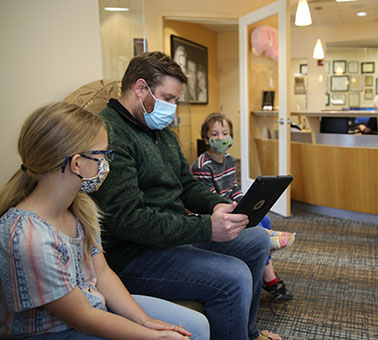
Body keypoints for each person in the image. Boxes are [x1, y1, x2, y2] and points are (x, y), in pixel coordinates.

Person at [90, 51, 282, 340]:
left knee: (256, 239)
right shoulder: (110, 134)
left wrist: (218, 205)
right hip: (134, 255)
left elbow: (186, 184)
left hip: (173, 237)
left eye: (175, 100)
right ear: (141, 88)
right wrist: (206, 226)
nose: (172, 107)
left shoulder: (161, 130)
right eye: (168, 98)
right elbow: (127, 220)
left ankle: (249, 334)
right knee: (234, 276)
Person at [0, 102, 209, 340]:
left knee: (197, 326)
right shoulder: (28, 238)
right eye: (103, 155)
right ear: (77, 163)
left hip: (91, 305)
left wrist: (145, 320)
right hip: (54, 330)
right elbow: (82, 317)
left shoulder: (81, 208)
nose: (106, 166)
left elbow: (101, 272)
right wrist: (152, 336)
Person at [190, 113, 296, 302]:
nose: (221, 138)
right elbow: (209, 200)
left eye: (225, 133)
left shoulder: (230, 160)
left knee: (264, 219)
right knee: (259, 230)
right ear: (206, 139)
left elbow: (233, 189)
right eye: (215, 134)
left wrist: (245, 203)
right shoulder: (202, 165)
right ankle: (268, 272)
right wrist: (237, 208)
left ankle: (265, 256)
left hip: (229, 207)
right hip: (213, 214)